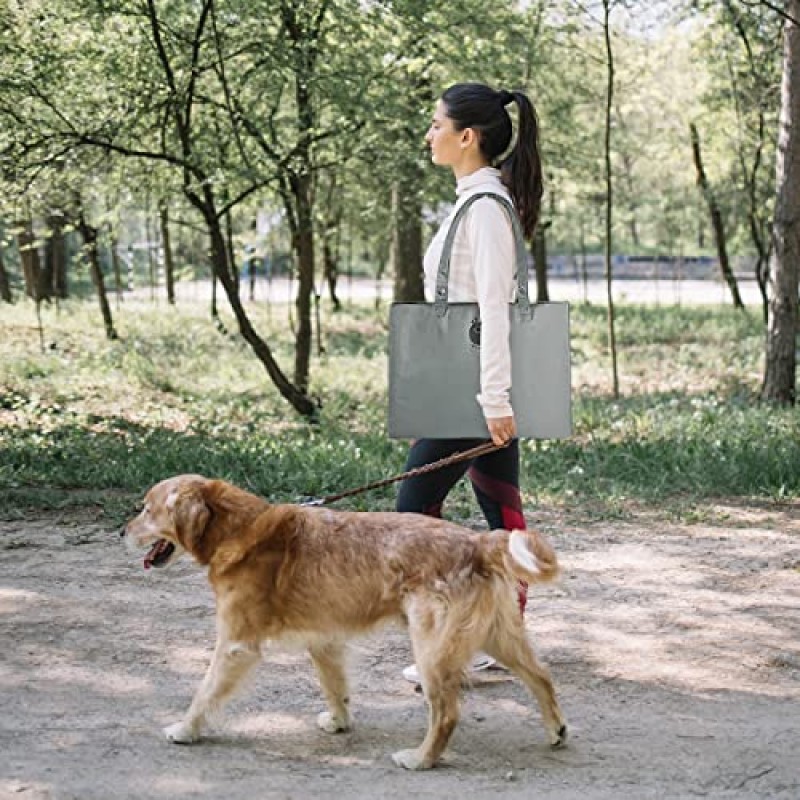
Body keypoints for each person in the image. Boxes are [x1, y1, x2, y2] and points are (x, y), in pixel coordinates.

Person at [396, 82, 544, 683]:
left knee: (415, 509)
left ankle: (443, 647)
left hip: (473, 393)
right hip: (472, 390)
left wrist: (494, 400)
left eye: (436, 125)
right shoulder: (473, 202)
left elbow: (494, 308)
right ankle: (504, 635)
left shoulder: (484, 209)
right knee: (501, 511)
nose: (428, 134)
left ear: (467, 137)